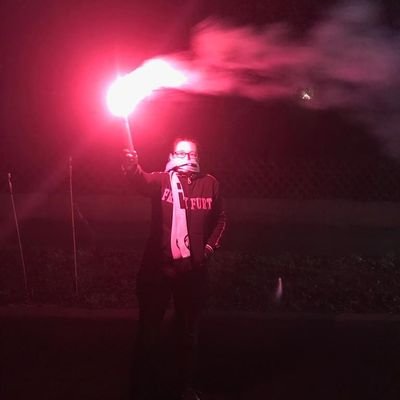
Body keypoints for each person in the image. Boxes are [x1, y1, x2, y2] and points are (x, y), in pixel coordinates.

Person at [122, 138, 227, 400]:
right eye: (181, 152)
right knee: (149, 332)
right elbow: (139, 180)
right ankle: (141, 390)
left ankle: (182, 388)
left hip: (192, 272)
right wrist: (131, 166)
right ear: (171, 155)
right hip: (157, 270)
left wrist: (208, 249)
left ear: (198, 156)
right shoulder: (161, 180)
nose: (186, 157)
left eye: (191, 153)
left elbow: (221, 219)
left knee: (188, 333)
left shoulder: (210, 183)